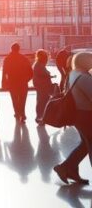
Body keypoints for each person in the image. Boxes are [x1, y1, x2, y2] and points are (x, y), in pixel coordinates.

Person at [54, 52, 92, 185]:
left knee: (85, 145)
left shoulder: (73, 74)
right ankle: (66, 168)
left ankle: (67, 168)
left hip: (79, 115)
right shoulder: (84, 77)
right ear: (85, 61)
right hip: (87, 116)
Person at [2, 42, 33, 121]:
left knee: (15, 99)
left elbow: (4, 72)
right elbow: (31, 72)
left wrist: (4, 83)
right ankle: (22, 114)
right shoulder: (24, 58)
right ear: (19, 49)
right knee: (22, 99)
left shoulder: (7, 59)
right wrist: (26, 79)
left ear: (11, 49)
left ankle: (17, 113)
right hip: (23, 83)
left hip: (12, 83)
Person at [33, 49, 55, 124]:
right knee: (42, 102)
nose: (47, 59)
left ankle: (42, 117)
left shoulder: (38, 64)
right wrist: (49, 75)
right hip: (42, 87)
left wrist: (49, 76)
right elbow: (43, 74)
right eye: (46, 57)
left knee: (43, 101)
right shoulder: (39, 65)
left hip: (42, 86)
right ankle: (40, 117)